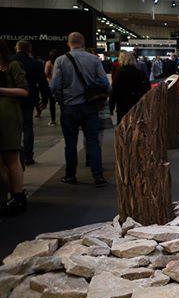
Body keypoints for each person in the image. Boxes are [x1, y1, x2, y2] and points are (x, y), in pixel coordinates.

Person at [50, 32, 110, 186]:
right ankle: (98, 176)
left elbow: (55, 85)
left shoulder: (60, 60)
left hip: (69, 107)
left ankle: (70, 175)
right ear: (83, 43)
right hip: (90, 107)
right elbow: (105, 83)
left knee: (70, 143)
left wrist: (61, 101)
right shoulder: (94, 59)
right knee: (93, 142)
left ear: (68, 43)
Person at [0, 40, 29, 215]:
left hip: (8, 115)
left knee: (11, 157)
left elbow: (24, 90)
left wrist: (1, 90)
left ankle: (17, 197)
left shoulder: (12, 65)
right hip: (7, 113)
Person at [12, 40, 50, 165]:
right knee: (28, 126)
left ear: (17, 48)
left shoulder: (10, 61)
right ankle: (28, 156)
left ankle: (14, 155)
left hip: (12, 98)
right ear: (29, 49)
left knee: (13, 127)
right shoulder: (35, 63)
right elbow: (42, 82)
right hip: (29, 98)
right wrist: (45, 99)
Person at [109, 52, 150, 123]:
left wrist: (111, 106)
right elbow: (147, 87)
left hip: (123, 104)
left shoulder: (120, 73)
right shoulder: (140, 72)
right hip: (137, 103)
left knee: (123, 124)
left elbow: (114, 90)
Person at [44, 49, 59, 127]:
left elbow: (46, 74)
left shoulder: (49, 63)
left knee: (52, 103)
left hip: (51, 84)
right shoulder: (60, 62)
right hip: (60, 85)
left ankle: (53, 120)